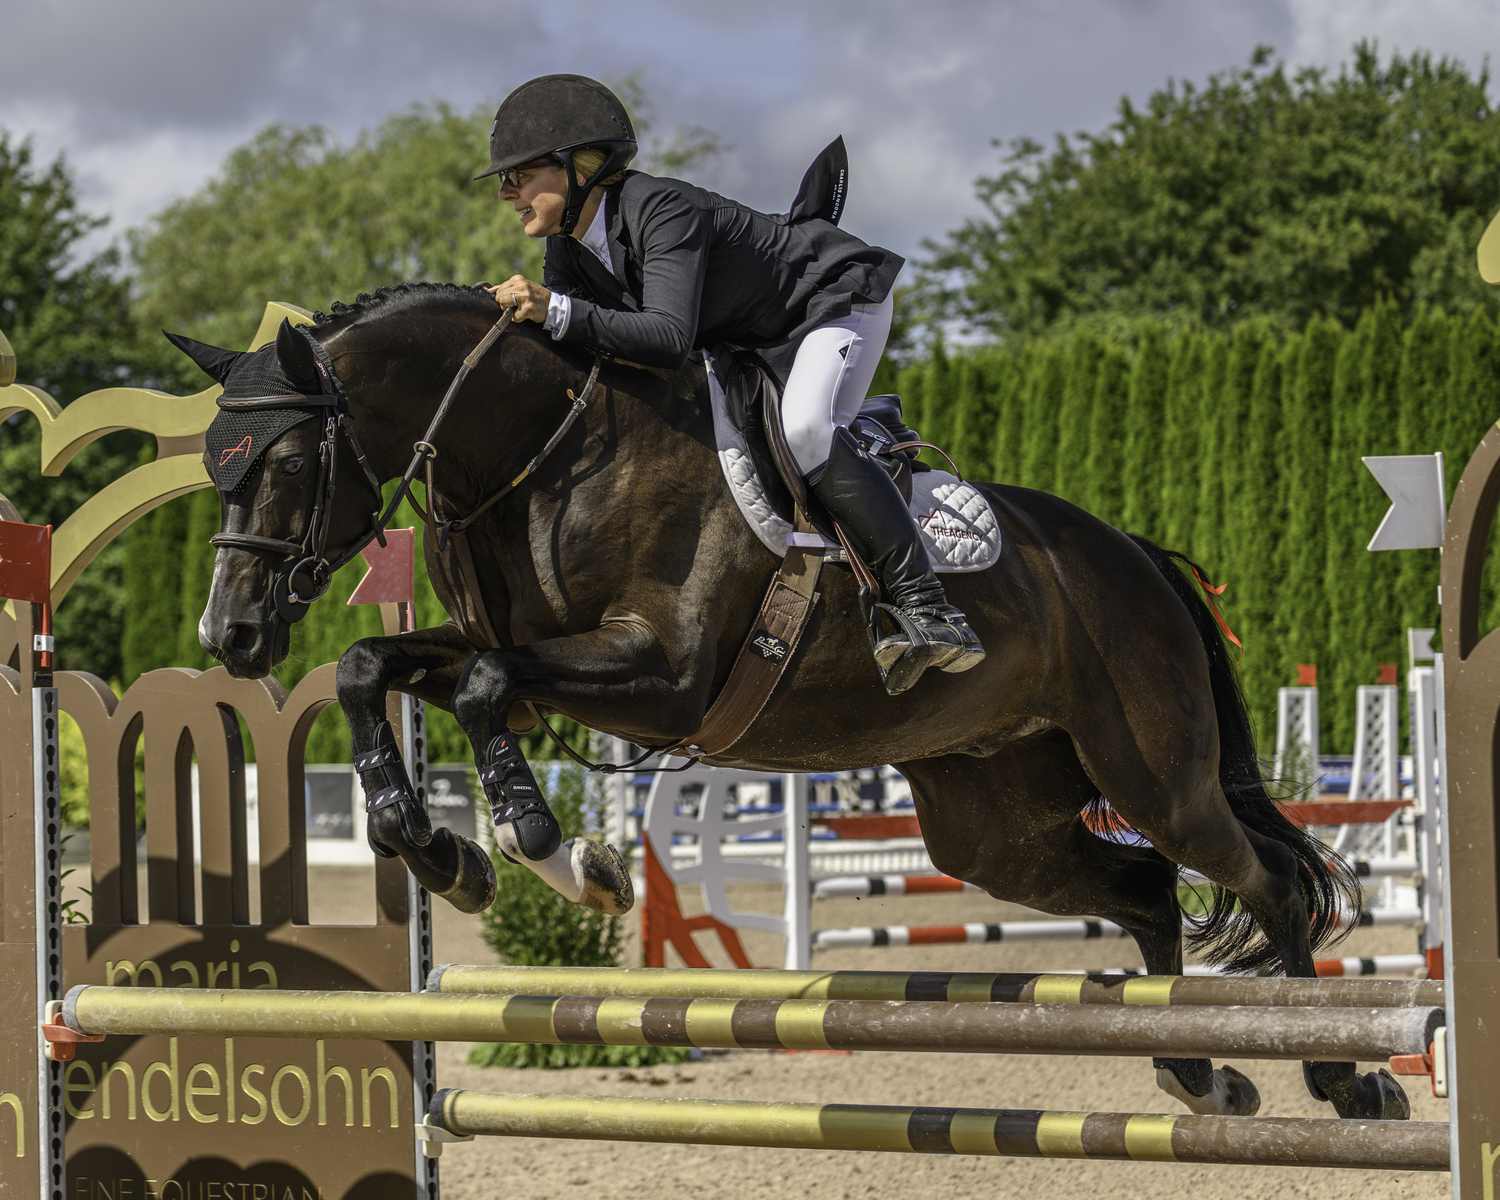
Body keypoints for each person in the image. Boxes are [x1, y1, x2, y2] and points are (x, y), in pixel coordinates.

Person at [478, 74, 984, 695]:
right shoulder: (569, 249)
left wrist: (553, 309)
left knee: (804, 431)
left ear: (577, 167)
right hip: (751, 341)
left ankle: (929, 606)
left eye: (518, 176)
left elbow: (664, 337)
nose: (506, 193)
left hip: (825, 305)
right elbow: (594, 347)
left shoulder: (661, 208)